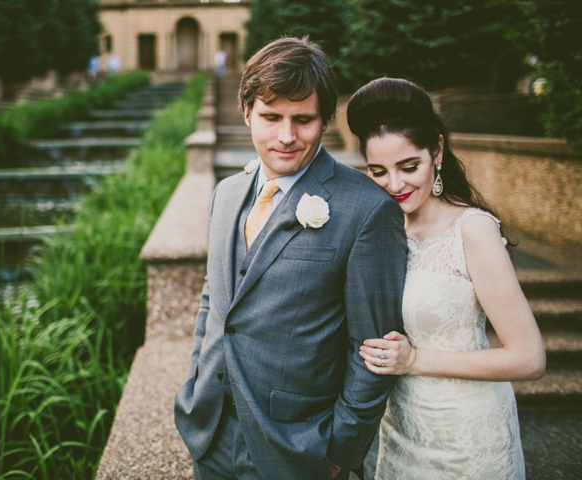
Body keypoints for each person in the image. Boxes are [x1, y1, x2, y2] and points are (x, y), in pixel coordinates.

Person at [174, 37, 408, 480]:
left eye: (303, 119)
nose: (286, 136)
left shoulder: (366, 209)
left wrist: (339, 452)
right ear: (247, 111)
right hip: (209, 437)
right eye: (270, 117)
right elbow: (214, 303)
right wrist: (194, 390)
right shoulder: (225, 195)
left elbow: (373, 350)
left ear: (324, 121)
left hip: (301, 452)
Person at [346, 77, 546, 479]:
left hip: (466, 439)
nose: (395, 185)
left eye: (408, 166)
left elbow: (529, 358)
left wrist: (416, 360)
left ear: (437, 150)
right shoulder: (384, 230)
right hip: (401, 432)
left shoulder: (472, 230)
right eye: (378, 171)